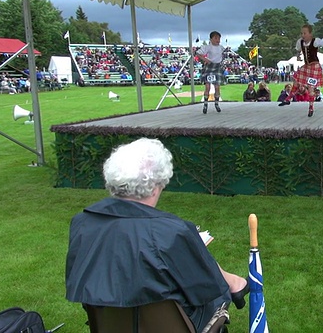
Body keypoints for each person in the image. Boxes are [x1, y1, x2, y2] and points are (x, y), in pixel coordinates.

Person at [65, 138, 249, 332]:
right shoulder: (171, 232)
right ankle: (234, 282)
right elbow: (207, 289)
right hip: (172, 325)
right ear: (155, 187)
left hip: (109, 324)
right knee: (218, 291)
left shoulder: (82, 224)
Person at [278, 23, 323, 117]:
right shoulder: (300, 42)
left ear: (310, 34)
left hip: (314, 68)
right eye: (302, 33)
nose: (303, 35)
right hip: (306, 66)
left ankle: (311, 107)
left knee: (310, 88)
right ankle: (288, 99)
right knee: (296, 82)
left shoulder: (315, 41)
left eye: (305, 33)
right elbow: (298, 49)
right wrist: (298, 56)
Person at [196, 31, 226, 114]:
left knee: (217, 87)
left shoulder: (221, 47)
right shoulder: (207, 47)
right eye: (215, 38)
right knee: (207, 87)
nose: (218, 40)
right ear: (211, 39)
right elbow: (198, 53)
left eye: (219, 38)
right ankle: (205, 104)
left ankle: (216, 103)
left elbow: (223, 55)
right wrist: (206, 60)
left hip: (217, 67)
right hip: (209, 67)